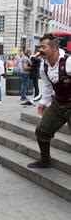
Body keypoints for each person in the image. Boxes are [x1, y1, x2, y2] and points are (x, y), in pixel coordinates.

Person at [28, 34, 71, 169]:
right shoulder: (43, 66)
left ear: (54, 47)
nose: (40, 50)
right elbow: (47, 87)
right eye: (39, 47)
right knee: (42, 131)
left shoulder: (68, 61)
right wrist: (43, 103)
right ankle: (45, 160)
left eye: (43, 47)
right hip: (58, 102)